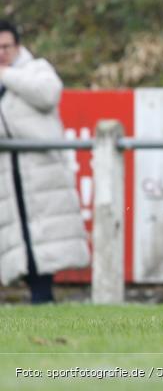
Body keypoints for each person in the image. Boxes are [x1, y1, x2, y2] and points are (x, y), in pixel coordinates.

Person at [0, 20, 90, 304]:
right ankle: (37, 297)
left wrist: (5, 75)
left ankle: (43, 296)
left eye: (6, 46)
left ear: (18, 45)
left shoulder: (36, 69)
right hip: (8, 173)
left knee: (45, 238)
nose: (2, 52)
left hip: (41, 171)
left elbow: (48, 94)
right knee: (18, 241)